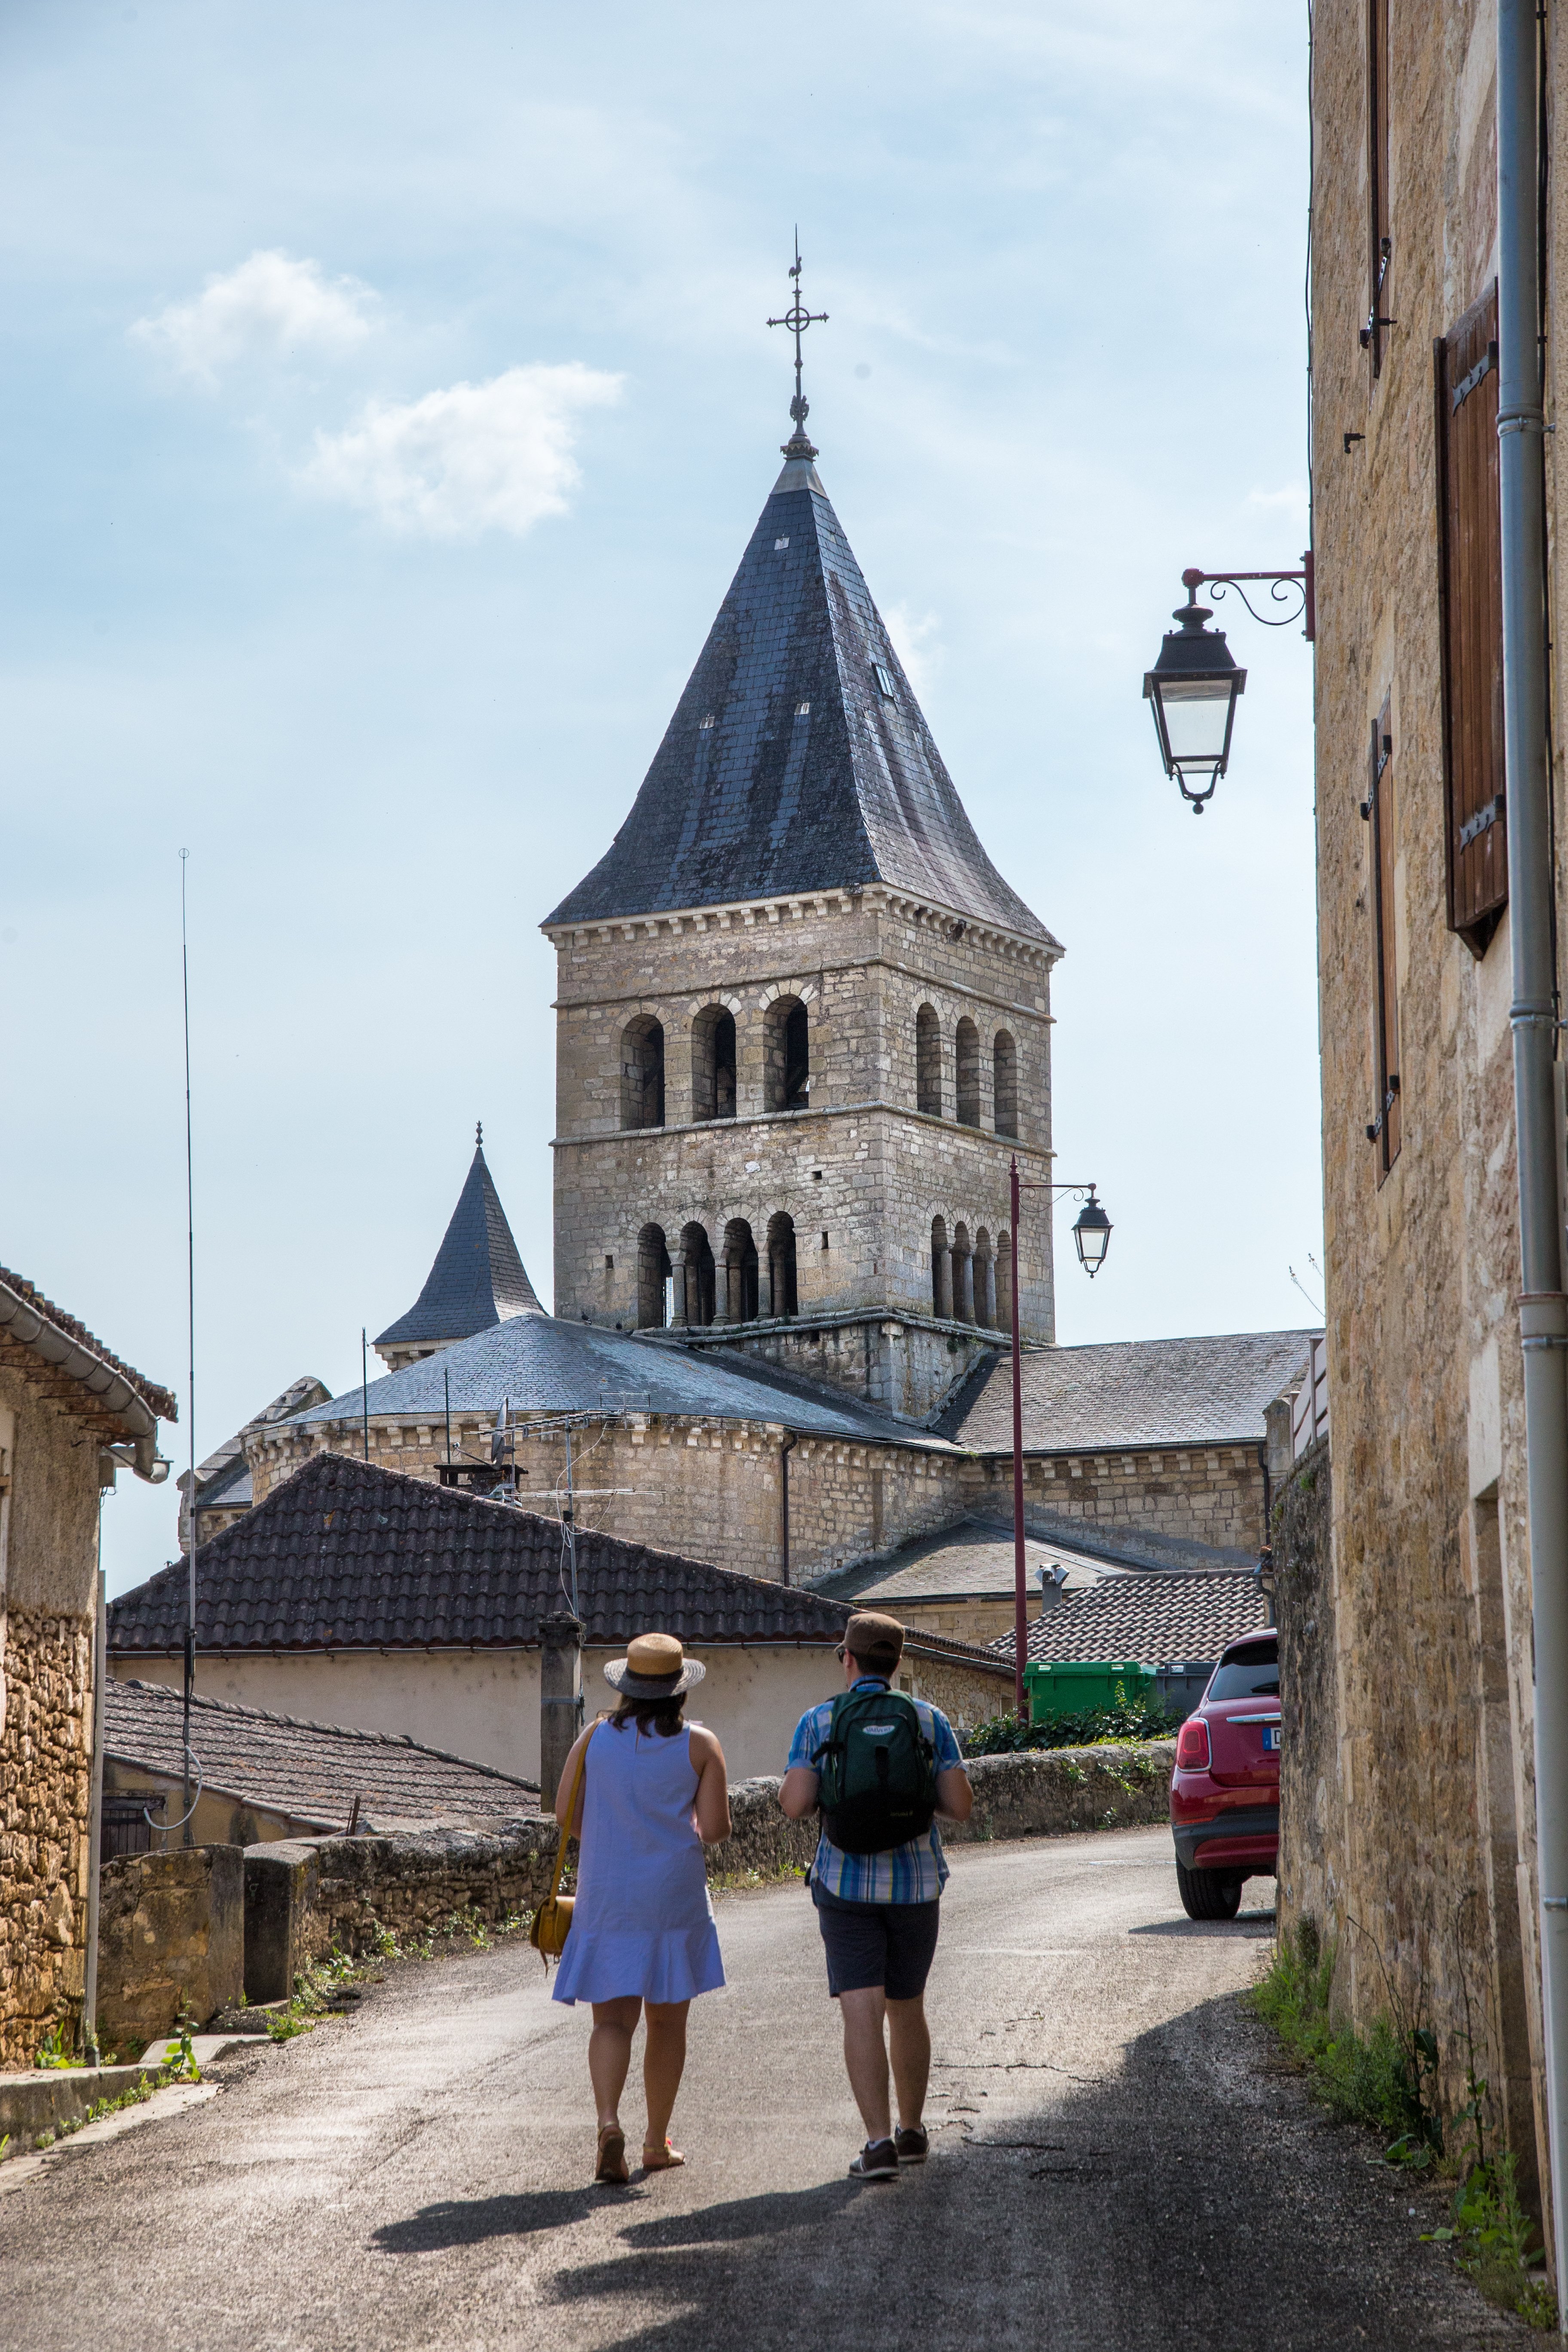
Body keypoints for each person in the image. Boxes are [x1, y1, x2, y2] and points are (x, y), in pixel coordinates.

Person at [780, 1610, 974, 2181]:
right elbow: (960, 1806)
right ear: (897, 1662)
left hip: (844, 1884)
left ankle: (877, 2143)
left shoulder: (819, 1722)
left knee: (862, 2011)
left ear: (849, 1658)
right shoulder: (928, 1719)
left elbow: (794, 1804)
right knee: (906, 2004)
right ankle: (912, 2134)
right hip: (916, 1884)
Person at [551, 1631, 732, 2184]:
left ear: (627, 1688)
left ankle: (609, 2123)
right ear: (680, 1690)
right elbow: (717, 1830)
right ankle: (656, 2142)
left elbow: (565, 1815)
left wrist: (615, 1839)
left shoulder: (593, 1738)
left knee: (611, 2021)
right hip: (672, 1898)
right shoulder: (701, 1745)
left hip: (608, 1896)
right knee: (667, 2021)